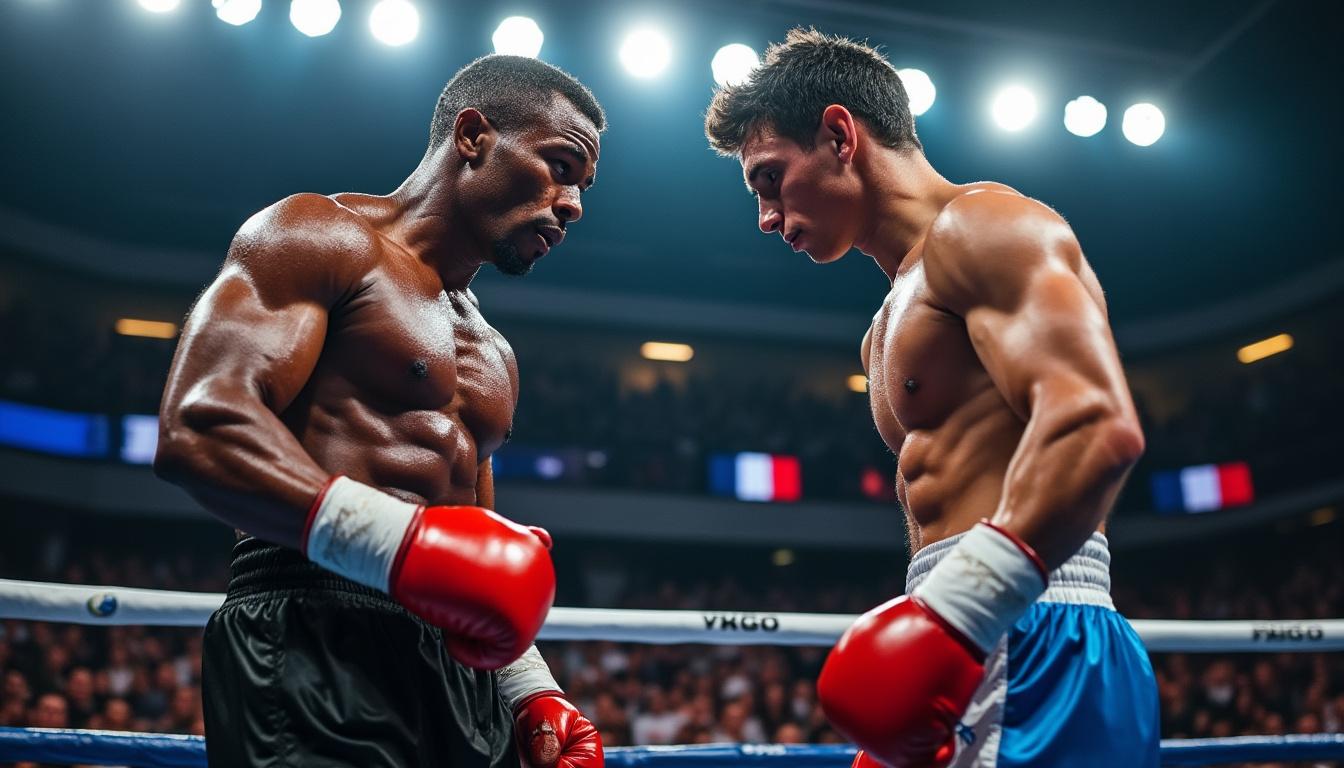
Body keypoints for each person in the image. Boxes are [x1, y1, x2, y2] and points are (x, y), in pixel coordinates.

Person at [705, 29, 1157, 768]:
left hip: (1031, 634)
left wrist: (959, 610)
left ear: (840, 136)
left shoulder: (986, 228)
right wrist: (936, 626)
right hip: (956, 635)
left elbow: (1096, 425)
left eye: (770, 178)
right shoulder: (883, 326)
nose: (766, 216)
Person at [156, 54, 606, 768]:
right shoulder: (320, 236)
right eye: (560, 166)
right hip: (313, 628)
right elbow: (201, 425)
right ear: (473, 137)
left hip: (453, 669)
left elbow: (470, 549)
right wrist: (399, 546)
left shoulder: (494, 353)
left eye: (581, 186)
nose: (573, 203)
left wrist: (528, 688)